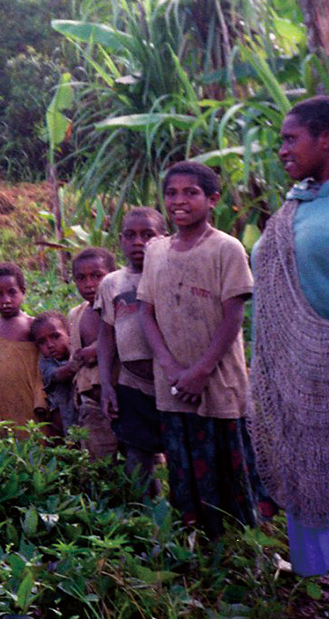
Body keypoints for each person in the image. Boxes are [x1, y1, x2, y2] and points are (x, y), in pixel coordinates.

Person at [250, 96, 329, 619]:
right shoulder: (296, 205)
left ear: (327, 139)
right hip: (307, 383)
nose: (281, 150)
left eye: (290, 138)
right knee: (323, 484)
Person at [137, 161, 260, 537]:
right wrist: (172, 368)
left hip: (218, 385)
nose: (179, 201)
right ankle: (196, 542)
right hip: (171, 386)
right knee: (183, 465)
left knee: (228, 466)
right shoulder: (156, 250)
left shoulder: (227, 248)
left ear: (213, 199)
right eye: (172, 193)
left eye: (191, 192)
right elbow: (147, 312)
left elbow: (231, 319)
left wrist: (200, 371)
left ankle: (238, 547)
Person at [98, 207, 166, 497]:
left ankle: (185, 524)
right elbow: (106, 337)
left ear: (163, 237)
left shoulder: (171, 274)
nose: (138, 242)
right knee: (137, 461)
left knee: (181, 457)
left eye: (147, 234)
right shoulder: (112, 283)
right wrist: (105, 385)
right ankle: (145, 520)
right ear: (121, 240)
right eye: (130, 235)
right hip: (131, 386)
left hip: (171, 386)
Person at [0, 262, 47, 437]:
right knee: (7, 437)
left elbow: (48, 359)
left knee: (36, 437)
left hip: (30, 398)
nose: (6, 300)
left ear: (23, 291)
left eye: (12, 292)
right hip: (2, 399)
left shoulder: (34, 326)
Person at [69, 247, 119, 460]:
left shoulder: (123, 307)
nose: (89, 284)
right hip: (91, 402)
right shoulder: (75, 314)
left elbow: (132, 338)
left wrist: (96, 350)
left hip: (123, 397)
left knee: (142, 464)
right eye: (81, 278)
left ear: (113, 274)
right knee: (98, 463)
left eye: (97, 276)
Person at [33, 311, 77, 441]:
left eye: (56, 336)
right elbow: (60, 375)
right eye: (42, 342)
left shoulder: (78, 348)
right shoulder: (46, 363)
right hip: (66, 422)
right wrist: (76, 360)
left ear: (69, 333)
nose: (50, 345)